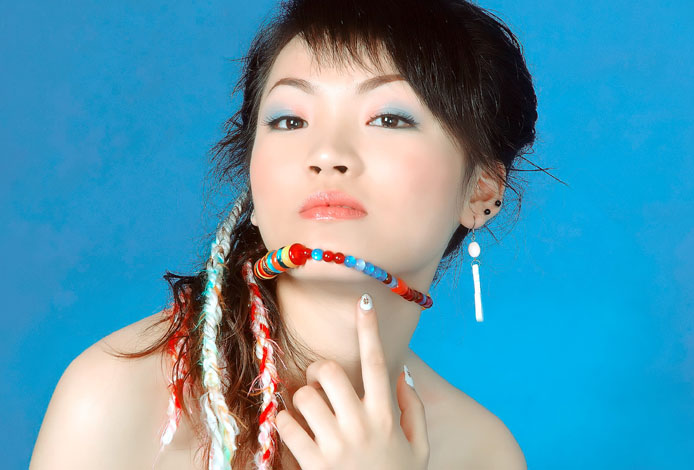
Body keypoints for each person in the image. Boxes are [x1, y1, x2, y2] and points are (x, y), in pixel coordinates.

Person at [30, 0, 539, 468]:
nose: (326, 153)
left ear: (482, 190)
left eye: (388, 118)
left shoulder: (481, 452)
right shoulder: (119, 398)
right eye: (290, 120)